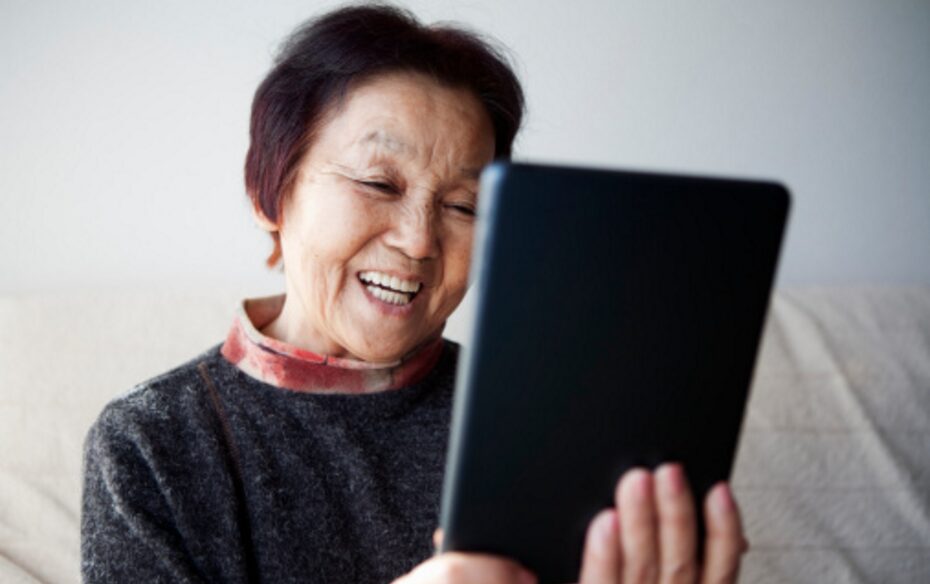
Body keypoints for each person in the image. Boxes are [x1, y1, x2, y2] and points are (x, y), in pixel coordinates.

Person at [81, 5, 747, 583]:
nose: (420, 241)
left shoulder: (541, 419)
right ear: (268, 194)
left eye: (463, 205)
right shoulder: (151, 443)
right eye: (379, 184)